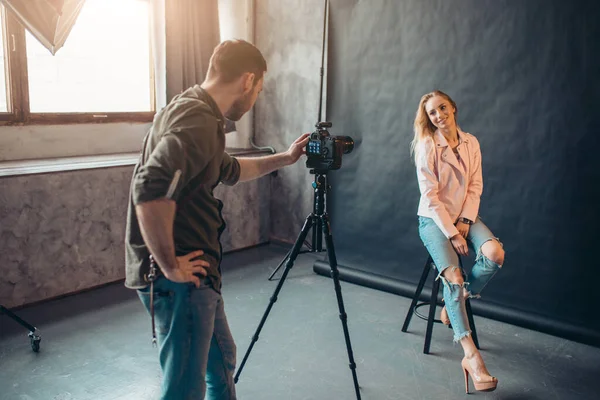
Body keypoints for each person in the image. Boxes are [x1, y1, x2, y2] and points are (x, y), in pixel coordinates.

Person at [124, 39, 310, 400]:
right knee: (184, 390)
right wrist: (169, 265)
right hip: (182, 281)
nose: (256, 96)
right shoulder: (197, 121)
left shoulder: (195, 111)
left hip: (198, 275)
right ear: (247, 80)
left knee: (221, 360)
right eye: (258, 89)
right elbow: (148, 188)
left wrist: (285, 159)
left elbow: (230, 170)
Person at [411, 90, 504, 393]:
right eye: (432, 113)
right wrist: (452, 232)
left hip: (464, 214)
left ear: (453, 108)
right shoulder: (427, 146)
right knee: (453, 276)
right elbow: (430, 196)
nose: (438, 115)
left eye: (442, 108)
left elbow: (475, 185)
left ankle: (457, 302)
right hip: (434, 221)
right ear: (428, 118)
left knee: (494, 254)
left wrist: (464, 221)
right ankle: (471, 357)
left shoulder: (471, 142)